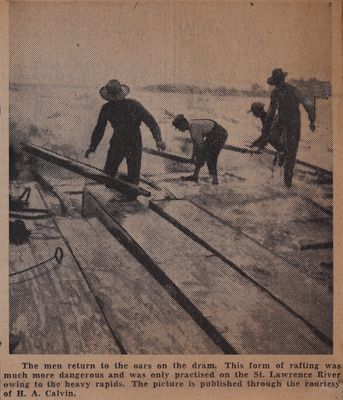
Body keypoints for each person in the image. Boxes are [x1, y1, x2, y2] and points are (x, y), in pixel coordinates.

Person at [85, 79, 166, 185]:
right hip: (122, 141)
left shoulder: (130, 106)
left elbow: (151, 122)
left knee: (128, 177)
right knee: (109, 174)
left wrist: (158, 139)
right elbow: (99, 130)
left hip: (131, 142)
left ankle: (130, 196)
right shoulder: (112, 107)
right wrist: (92, 147)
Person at [258, 68, 316, 188]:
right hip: (281, 120)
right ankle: (282, 151)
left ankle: (287, 184)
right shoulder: (274, 93)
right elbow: (271, 111)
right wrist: (265, 132)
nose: (278, 85)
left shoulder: (294, 90)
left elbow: (308, 104)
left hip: (293, 122)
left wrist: (311, 119)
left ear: (283, 80)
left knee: (291, 153)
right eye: (276, 83)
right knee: (271, 137)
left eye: (279, 82)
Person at [172, 115, 228, 185]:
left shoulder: (195, 129)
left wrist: (196, 157)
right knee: (202, 154)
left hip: (220, 134)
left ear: (184, 123)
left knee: (210, 156)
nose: (180, 130)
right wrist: (193, 157)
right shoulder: (191, 126)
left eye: (179, 127)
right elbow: (195, 144)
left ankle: (215, 180)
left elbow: (200, 147)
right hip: (213, 133)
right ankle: (195, 176)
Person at [247, 101, 285, 166]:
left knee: (271, 138)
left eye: (254, 112)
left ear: (258, 111)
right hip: (280, 136)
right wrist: (255, 143)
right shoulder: (265, 117)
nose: (253, 114)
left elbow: (267, 135)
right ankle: (281, 153)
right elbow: (264, 134)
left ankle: (282, 153)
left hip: (282, 137)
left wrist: (259, 145)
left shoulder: (267, 118)